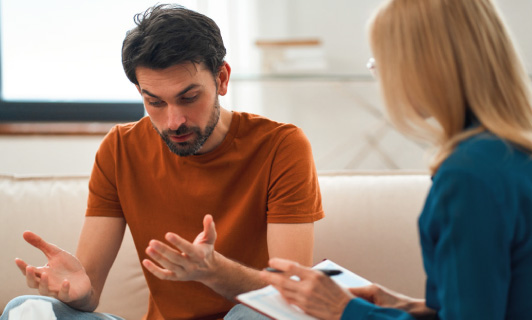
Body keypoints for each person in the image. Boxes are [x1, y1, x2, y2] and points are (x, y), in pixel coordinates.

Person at [1, 4, 323, 320]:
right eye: (154, 102)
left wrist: (215, 271)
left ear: (222, 79)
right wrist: (78, 292)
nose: (173, 121)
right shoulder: (119, 149)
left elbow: (292, 293)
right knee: (27, 310)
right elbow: (90, 294)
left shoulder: (282, 146)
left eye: (189, 97)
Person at [253, 0, 532, 319]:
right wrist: (408, 306)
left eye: (381, 63)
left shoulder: (468, 175)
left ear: (425, 67)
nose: (381, 77)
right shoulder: (511, 153)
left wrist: (343, 310)